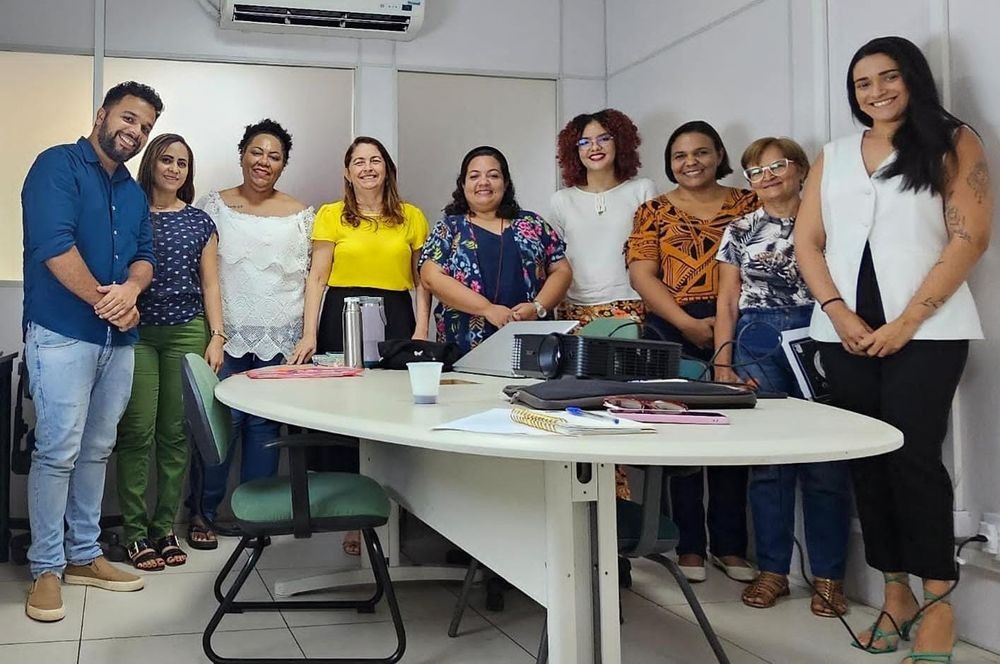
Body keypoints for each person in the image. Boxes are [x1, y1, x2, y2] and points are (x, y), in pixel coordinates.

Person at [796, 36, 991, 662]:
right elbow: (809, 243)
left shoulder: (953, 139)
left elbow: (970, 236)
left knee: (914, 460)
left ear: (913, 78)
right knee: (867, 462)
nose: (875, 92)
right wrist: (835, 310)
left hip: (928, 330)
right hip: (844, 332)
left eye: (888, 77)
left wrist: (908, 320)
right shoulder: (833, 155)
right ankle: (895, 591)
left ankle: (938, 599)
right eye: (862, 84)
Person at [20, 80, 162, 622]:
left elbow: (144, 257)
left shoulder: (130, 190)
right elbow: (53, 246)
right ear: (102, 114)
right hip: (61, 333)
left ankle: (83, 554)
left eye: (145, 128)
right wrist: (111, 304)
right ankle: (46, 568)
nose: (135, 132)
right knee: (58, 451)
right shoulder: (56, 166)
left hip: (117, 342)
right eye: (129, 119)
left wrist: (130, 291)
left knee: (98, 448)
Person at [714, 137, 851, 616]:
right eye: (756, 170)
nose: (767, 175)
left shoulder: (828, 219)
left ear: (799, 171)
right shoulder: (740, 228)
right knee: (769, 463)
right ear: (748, 181)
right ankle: (773, 570)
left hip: (818, 336)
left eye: (778, 165)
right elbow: (727, 300)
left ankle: (829, 576)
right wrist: (723, 359)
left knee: (827, 459)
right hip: (756, 340)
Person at [626, 120, 758, 583]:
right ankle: (689, 546)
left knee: (731, 431)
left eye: (701, 153)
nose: (691, 163)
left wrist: (721, 327)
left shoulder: (748, 202)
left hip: (739, 323)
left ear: (719, 154)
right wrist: (685, 324)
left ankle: (731, 546)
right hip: (670, 325)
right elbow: (642, 274)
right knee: (679, 433)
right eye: (680, 156)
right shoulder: (653, 211)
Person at [288, 136, 430, 555]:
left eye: (375, 160)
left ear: (387, 168)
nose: (367, 167)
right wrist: (309, 332)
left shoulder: (411, 217)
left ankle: (398, 507)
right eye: (358, 162)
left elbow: (423, 280)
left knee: (391, 410)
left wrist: (422, 327)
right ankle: (353, 514)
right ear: (347, 172)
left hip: (395, 317)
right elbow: (317, 277)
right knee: (347, 410)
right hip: (340, 314)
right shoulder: (332, 216)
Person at [185, 119, 314, 549]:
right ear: (242, 154)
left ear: (283, 166)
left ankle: (254, 516)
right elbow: (205, 275)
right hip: (226, 334)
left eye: (274, 157)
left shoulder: (301, 214)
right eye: (257, 152)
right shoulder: (213, 206)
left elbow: (310, 277)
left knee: (265, 429)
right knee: (221, 424)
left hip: (282, 338)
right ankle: (203, 512)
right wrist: (215, 332)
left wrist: (304, 335)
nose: (264, 162)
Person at [114, 134, 224, 570]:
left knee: (176, 435)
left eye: (182, 163)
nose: (174, 169)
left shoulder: (200, 222)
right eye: (166, 160)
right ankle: (135, 533)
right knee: (137, 431)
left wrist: (217, 335)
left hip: (186, 332)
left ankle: (165, 528)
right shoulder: (129, 211)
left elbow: (211, 283)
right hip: (137, 333)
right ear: (152, 165)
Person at [419, 145, 572, 354]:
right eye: (474, 176)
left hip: (531, 343)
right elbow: (430, 277)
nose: (484, 182)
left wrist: (538, 307)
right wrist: (487, 309)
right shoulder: (449, 227)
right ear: (463, 184)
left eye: (493, 175)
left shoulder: (532, 223)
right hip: (464, 346)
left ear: (505, 182)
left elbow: (561, 270)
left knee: (529, 386)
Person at [550, 109, 656, 327]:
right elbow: (553, 261)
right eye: (584, 142)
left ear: (621, 143)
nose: (595, 148)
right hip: (574, 308)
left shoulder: (642, 190)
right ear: (574, 150)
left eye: (604, 139)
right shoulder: (561, 200)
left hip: (632, 303)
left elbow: (654, 252)